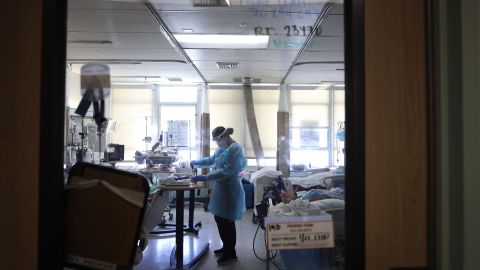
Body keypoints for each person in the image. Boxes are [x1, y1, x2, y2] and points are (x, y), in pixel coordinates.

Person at [190, 126, 246, 265]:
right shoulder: (223, 148)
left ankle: (230, 252)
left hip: (231, 189)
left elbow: (226, 172)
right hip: (221, 188)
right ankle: (226, 247)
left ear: (224, 137)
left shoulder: (235, 149)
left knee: (227, 220)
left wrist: (205, 177)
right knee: (219, 218)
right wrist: (197, 162)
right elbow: (212, 159)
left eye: (216, 140)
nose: (216, 143)